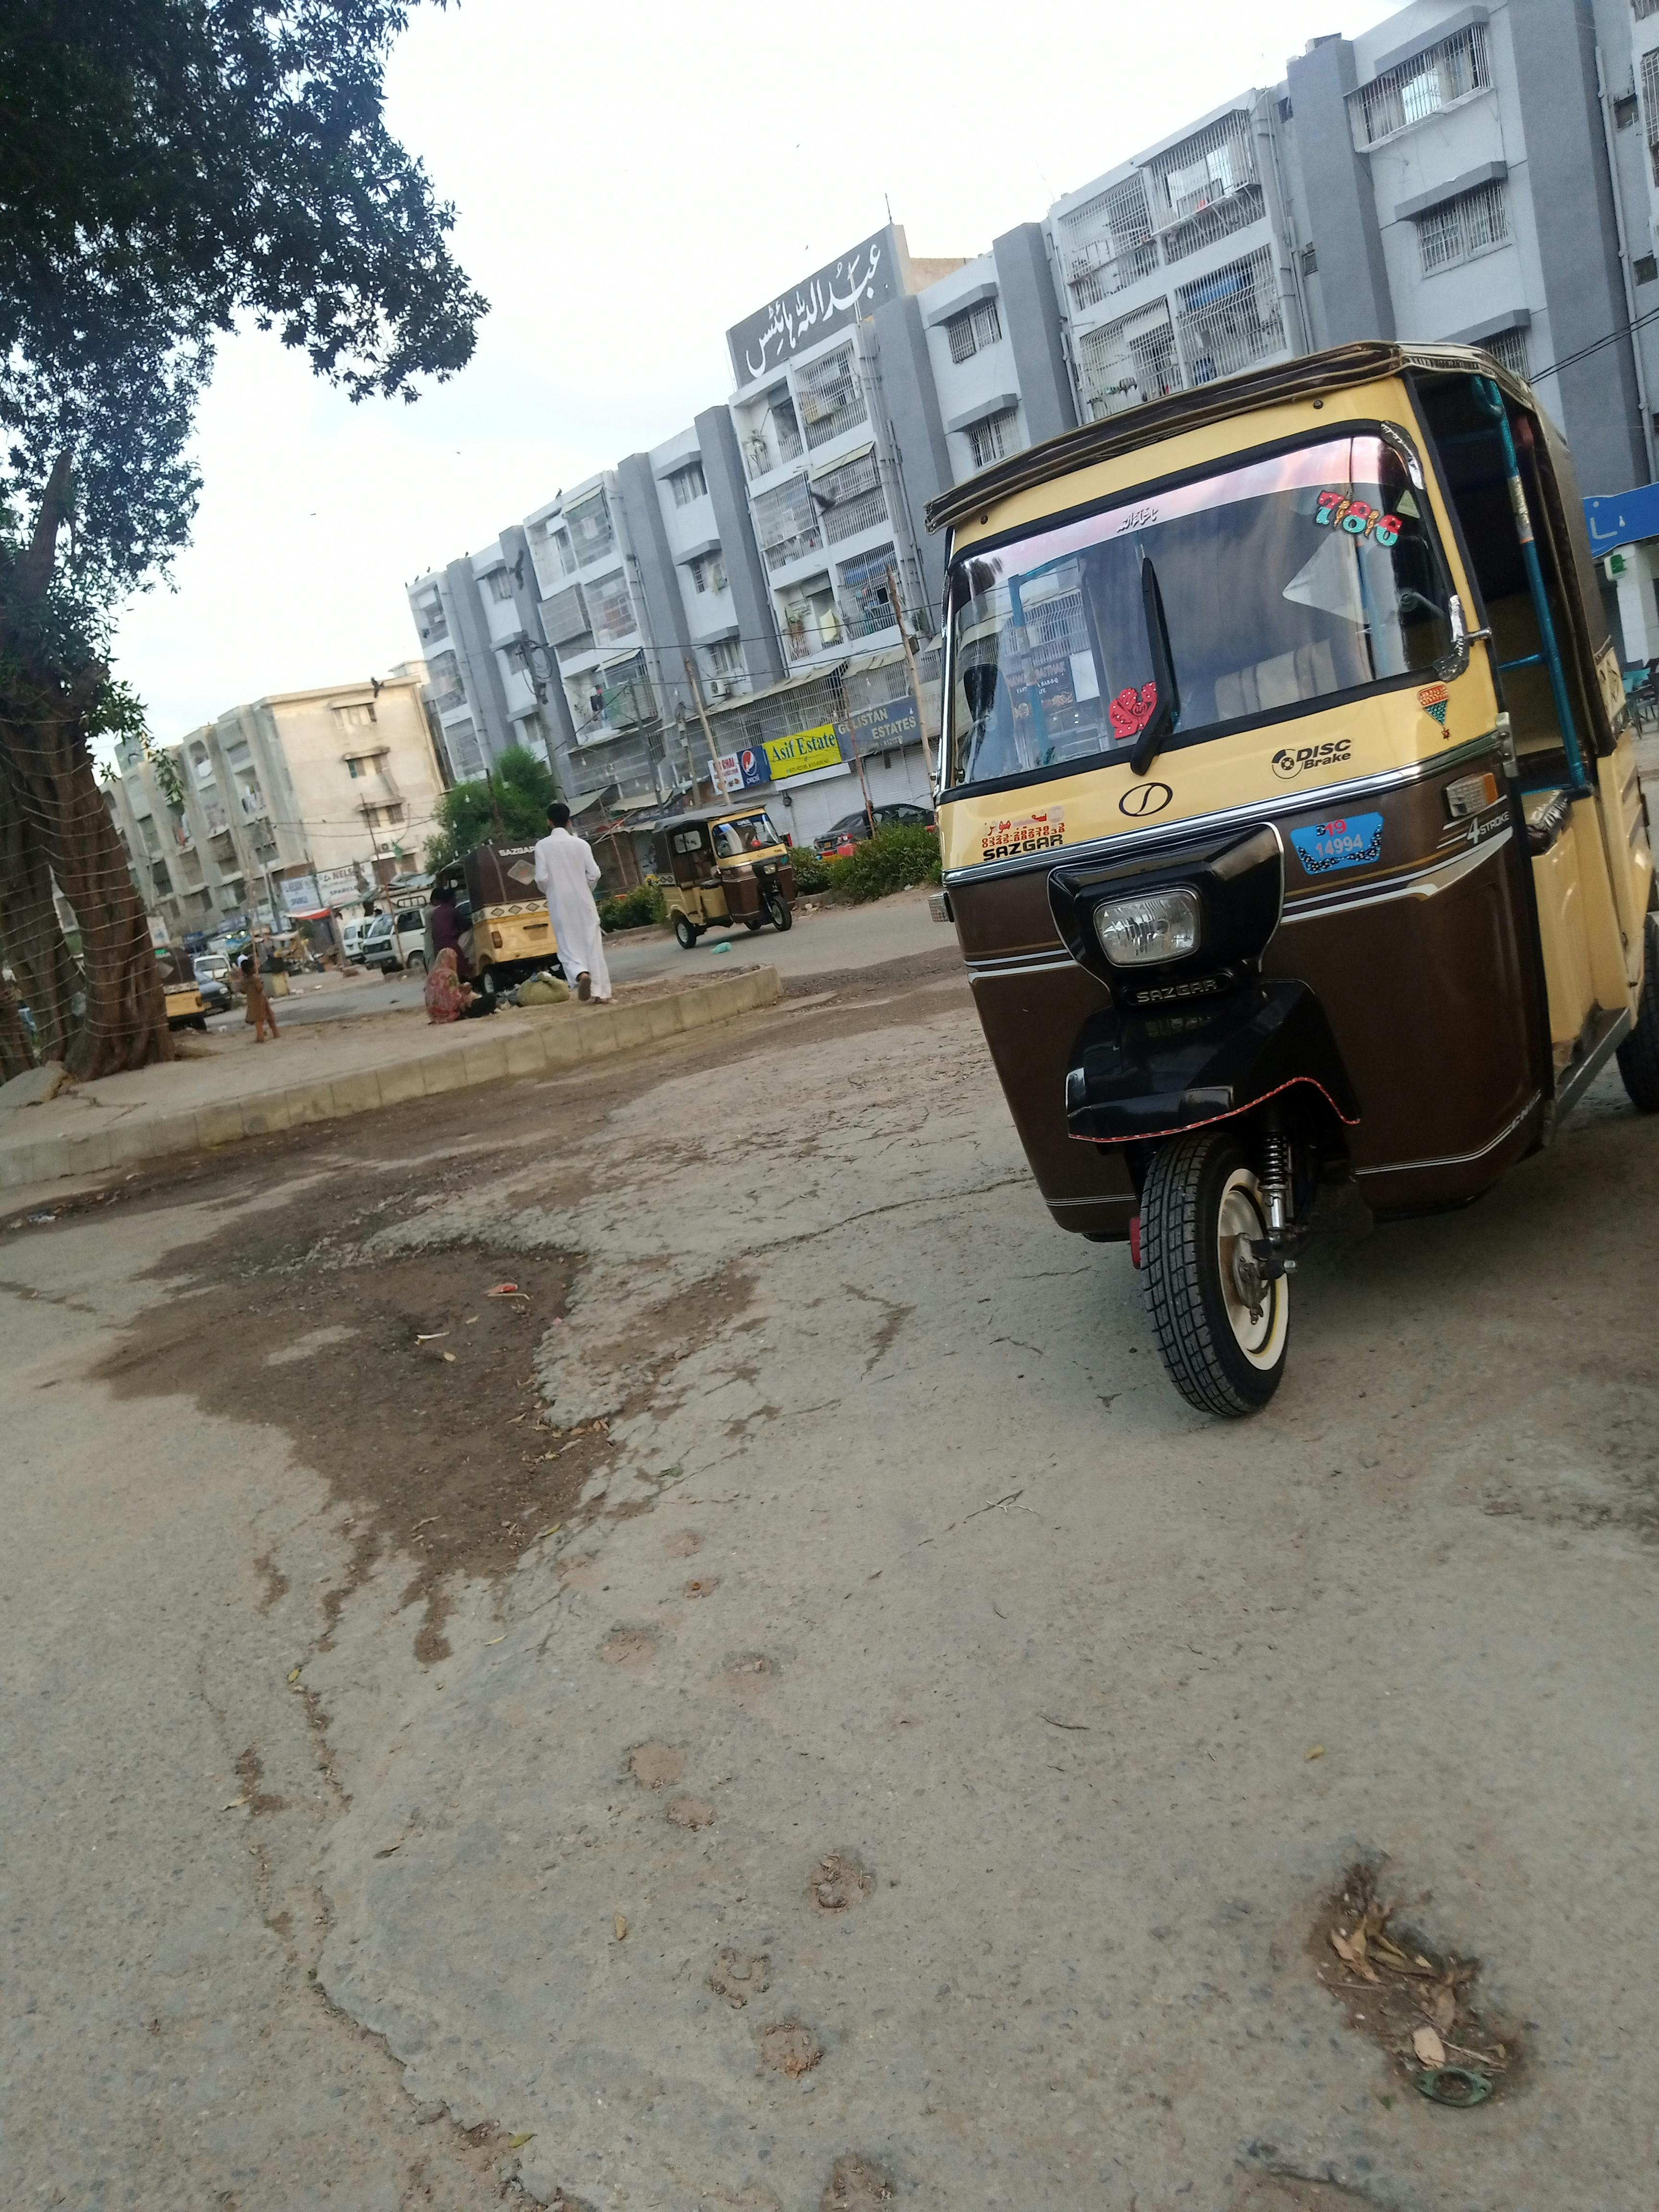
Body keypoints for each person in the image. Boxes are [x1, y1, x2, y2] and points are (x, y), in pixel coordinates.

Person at [532, 801, 612, 1003]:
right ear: (569, 821)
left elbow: (541, 878)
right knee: (592, 945)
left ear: (549, 822)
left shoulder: (542, 846)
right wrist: (584, 889)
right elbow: (594, 874)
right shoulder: (582, 845)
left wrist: (550, 890)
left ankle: (580, 974)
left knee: (568, 945)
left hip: (560, 902)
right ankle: (601, 994)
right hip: (584, 901)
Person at [422, 945, 490, 1023]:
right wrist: (465, 992)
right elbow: (456, 1002)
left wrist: (459, 988)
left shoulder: (431, 975)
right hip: (450, 1014)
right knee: (490, 999)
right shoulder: (450, 974)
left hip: (434, 1016)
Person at [429, 881, 471, 980]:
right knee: (472, 934)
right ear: (451, 900)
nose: (456, 901)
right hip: (451, 945)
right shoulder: (453, 911)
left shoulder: (435, 913)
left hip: (438, 948)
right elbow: (465, 926)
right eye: (455, 899)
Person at [240, 953, 279, 1043]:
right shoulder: (256, 979)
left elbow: (243, 991)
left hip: (252, 1002)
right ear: (251, 969)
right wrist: (261, 982)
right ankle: (275, 1034)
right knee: (268, 1018)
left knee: (259, 1020)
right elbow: (260, 989)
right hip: (261, 1000)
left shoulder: (244, 981)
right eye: (254, 967)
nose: (256, 968)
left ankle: (260, 1037)